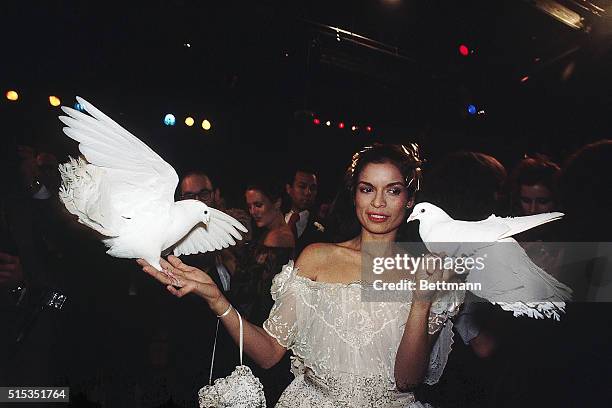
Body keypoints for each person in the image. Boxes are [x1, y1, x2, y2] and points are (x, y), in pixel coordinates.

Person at [139, 144, 463, 407]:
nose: (378, 202)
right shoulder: (317, 258)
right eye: (368, 189)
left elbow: (407, 380)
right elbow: (268, 354)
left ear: (409, 200)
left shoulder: (427, 270)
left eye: (392, 191)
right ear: (354, 195)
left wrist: (422, 302)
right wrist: (216, 298)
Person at [284, 167, 327, 256]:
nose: (308, 192)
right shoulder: (275, 217)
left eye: (313, 188)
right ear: (289, 189)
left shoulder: (323, 226)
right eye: (302, 186)